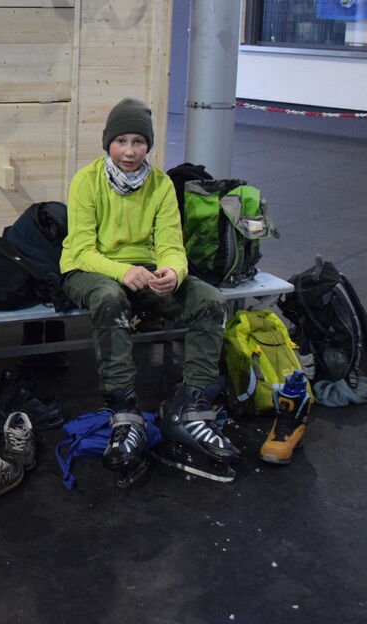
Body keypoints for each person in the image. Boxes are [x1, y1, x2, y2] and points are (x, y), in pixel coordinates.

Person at [59, 97, 240, 481]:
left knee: (210, 301)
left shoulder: (160, 184)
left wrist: (173, 271)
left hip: (144, 270)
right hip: (88, 269)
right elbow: (83, 250)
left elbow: (171, 245)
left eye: (138, 142)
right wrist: (122, 271)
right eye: (121, 141)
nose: (129, 151)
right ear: (108, 142)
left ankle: (189, 408)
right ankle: (124, 412)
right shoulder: (86, 181)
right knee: (110, 300)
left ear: (149, 145)